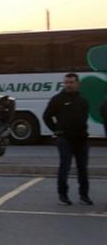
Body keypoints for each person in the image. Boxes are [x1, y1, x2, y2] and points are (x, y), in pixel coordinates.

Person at [43, 73, 93, 205]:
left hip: (81, 139)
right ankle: (63, 195)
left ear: (77, 84)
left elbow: (84, 118)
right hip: (65, 139)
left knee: (83, 168)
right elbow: (46, 116)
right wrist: (56, 130)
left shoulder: (83, 100)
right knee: (64, 167)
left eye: (71, 82)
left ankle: (84, 195)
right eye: (66, 82)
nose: (68, 85)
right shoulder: (57, 99)